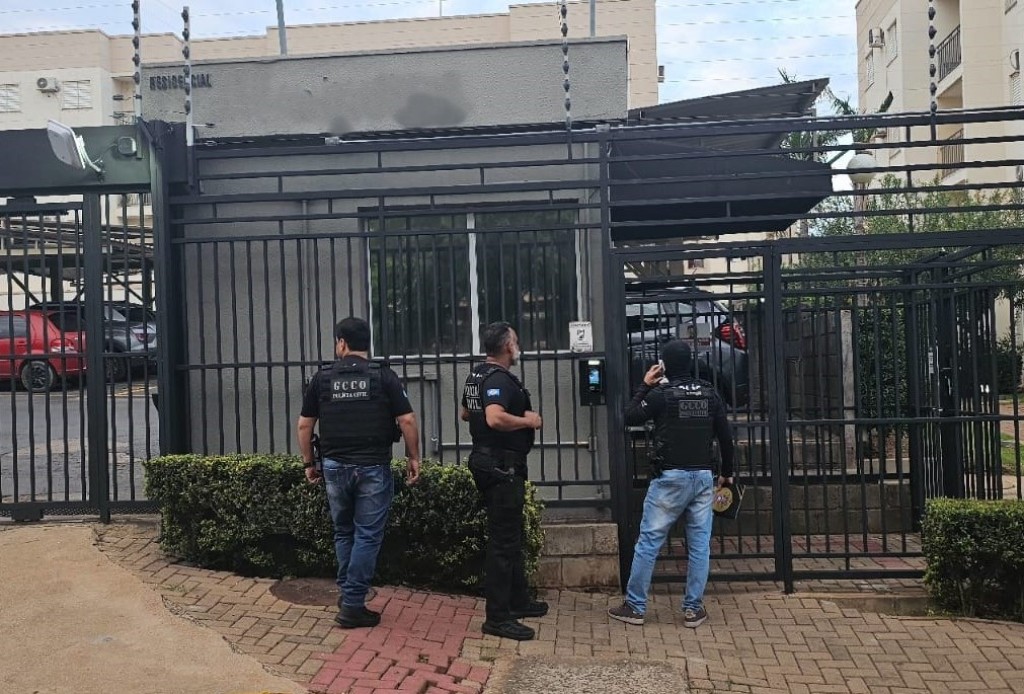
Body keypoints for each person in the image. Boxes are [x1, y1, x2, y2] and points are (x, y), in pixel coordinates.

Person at [297, 317, 420, 629]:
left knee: (344, 531)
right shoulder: (384, 376)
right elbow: (407, 420)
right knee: (366, 534)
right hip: (373, 467)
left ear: (341, 343)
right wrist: (413, 457)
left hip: (335, 467)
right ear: (367, 343)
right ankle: (352, 604)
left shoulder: (322, 378)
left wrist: (309, 464)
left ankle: (348, 594)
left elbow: (304, 425)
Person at [608, 339, 735, 629]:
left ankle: (635, 607)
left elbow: (628, 415)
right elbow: (726, 438)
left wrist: (644, 385)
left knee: (649, 542)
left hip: (670, 478)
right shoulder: (710, 394)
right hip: (703, 477)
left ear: (663, 365)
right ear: (690, 362)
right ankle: (693, 609)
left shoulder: (661, 394)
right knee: (700, 545)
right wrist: (727, 473)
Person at [460, 321, 547, 641]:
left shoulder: (477, 375)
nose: (518, 346)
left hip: (489, 462)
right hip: (501, 466)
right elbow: (494, 417)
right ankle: (497, 618)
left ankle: (518, 600)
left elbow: (466, 413)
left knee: (511, 535)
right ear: (508, 346)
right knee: (503, 541)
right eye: (516, 341)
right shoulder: (498, 378)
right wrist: (527, 420)